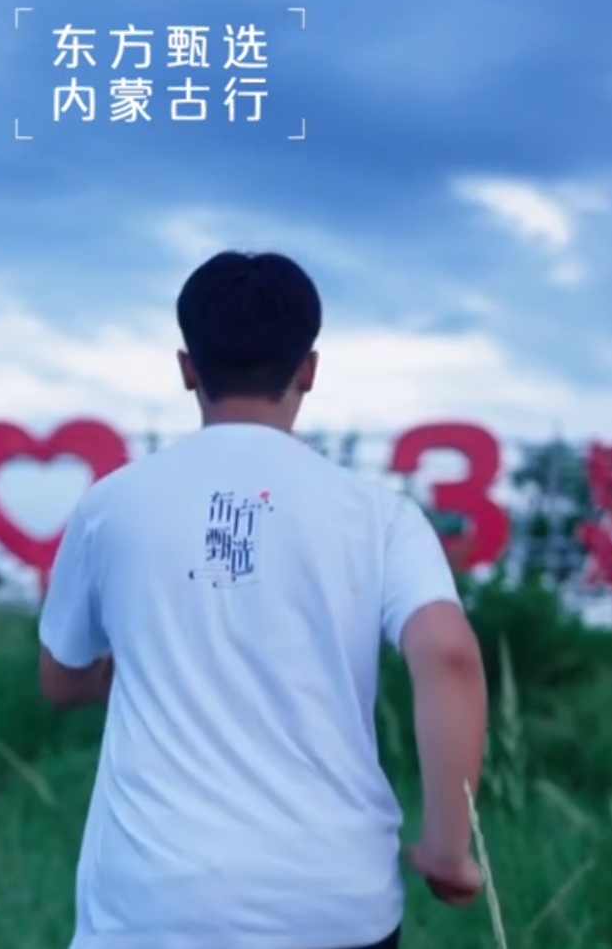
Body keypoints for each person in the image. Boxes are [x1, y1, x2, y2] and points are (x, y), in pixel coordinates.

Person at [38, 251, 488, 949]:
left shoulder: (111, 506)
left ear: (187, 367)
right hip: (336, 905)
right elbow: (450, 654)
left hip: (152, 902)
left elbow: (61, 680)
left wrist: (144, 662)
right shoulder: (378, 516)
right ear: (308, 369)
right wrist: (447, 848)